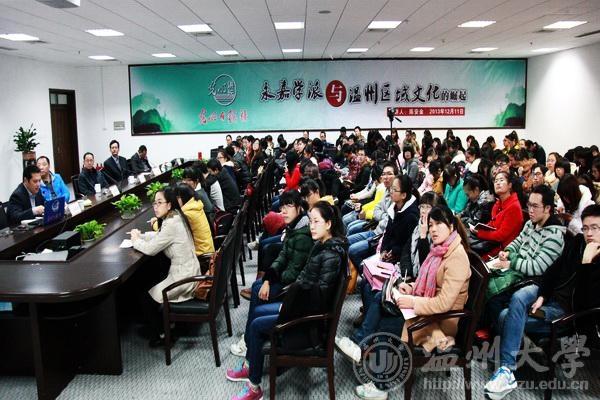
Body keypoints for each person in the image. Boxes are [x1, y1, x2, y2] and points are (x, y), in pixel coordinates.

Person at [227, 201, 347, 400]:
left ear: (329, 224)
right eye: (310, 222)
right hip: (300, 308)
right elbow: (305, 282)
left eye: (316, 222)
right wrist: (291, 296)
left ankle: (254, 387)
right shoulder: (322, 246)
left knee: (256, 325)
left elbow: (318, 299)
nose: (312, 226)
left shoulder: (331, 255)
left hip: (308, 323)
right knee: (257, 312)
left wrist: (290, 304)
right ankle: (250, 365)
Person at [353, 205, 472, 400]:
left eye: (439, 224)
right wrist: (412, 287)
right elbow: (430, 283)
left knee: (387, 324)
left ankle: (380, 385)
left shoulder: (457, 257)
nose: (433, 229)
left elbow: (444, 303)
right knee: (382, 302)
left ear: (451, 226)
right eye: (431, 224)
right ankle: (362, 349)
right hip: (430, 312)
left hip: (441, 322)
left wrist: (413, 301)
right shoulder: (440, 250)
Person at [484, 204, 600, 399]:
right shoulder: (578, 242)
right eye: (586, 228)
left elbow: (586, 303)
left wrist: (587, 264)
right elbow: (554, 270)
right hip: (551, 298)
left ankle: (507, 368)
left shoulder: (592, 257)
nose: (589, 233)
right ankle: (507, 369)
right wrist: (543, 295)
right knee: (513, 304)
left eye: (595, 228)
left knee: (505, 316)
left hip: (567, 313)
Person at [230, 191, 314, 357]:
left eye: (289, 206)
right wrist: (268, 278)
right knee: (258, 285)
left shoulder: (303, 235)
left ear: (299, 208)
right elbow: (282, 257)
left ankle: (248, 341)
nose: (283, 211)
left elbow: (292, 274)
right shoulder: (295, 227)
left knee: (257, 289)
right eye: (282, 207)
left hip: (293, 289)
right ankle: (250, 338)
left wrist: (272, 279)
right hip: (290, 280)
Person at [484, 185, 566, 330]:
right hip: (518, 269)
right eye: (529, 205)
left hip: (533, 280)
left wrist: (511, 262)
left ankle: (500, 333)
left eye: (535, 206)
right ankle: (488, 328)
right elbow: (519, 240)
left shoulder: (554, 235)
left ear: (547, 208)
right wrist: (508, 251)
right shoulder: (531, 223)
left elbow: (537, 267)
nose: (530, 210)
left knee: (494, 296)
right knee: (484, 279)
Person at [129, 187, 200, 347]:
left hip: (184, 277)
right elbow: (161, 236)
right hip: (188, 270)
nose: (156, 206)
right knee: (152, 279)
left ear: (169, 205)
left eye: (159, 202)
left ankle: (162, 335)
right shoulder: (175, 216)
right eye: (154, 203)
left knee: (146, 298)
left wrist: (135, 240)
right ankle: (166, 325)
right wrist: (142, 235)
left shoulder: (171, 223)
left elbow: (150, 249)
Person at [471, 171, 524, 259]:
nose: (498, 183)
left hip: (503, 250)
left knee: (473, 257)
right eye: (496, 181)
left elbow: (501, 236)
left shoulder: (514, 207)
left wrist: (480, 233)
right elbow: (492, 224)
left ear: (509, 185)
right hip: (492, 243)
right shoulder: (498, 203)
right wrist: (479, 228)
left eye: (501, 180)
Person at [171, 183, 214, 257]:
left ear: (182, 197)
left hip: (201, 255)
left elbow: (170, 226)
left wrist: (155, 223)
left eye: (177, 198)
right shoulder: (195, 204)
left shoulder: (187, 213)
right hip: (208, 249)